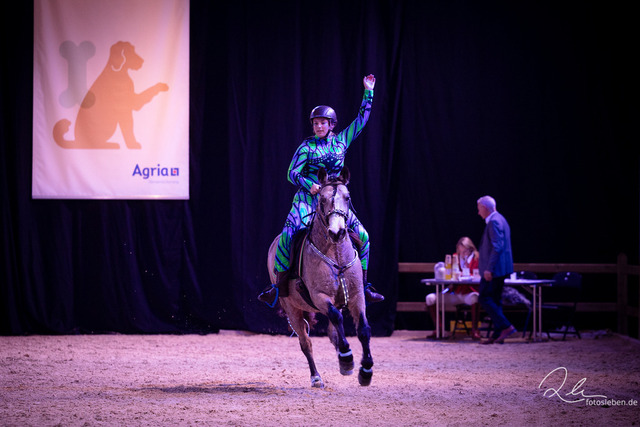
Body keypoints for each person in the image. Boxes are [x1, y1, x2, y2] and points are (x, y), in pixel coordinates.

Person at [258, 74, 384, 307]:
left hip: (335, 201)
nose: (318, 127)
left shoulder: (342, 141)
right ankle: (278, 287)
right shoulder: (306, 147)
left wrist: (369, 92)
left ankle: (364, 285)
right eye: (315, 123)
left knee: (364, 236)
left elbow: (362, 120)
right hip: (308, 199)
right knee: (287, 235)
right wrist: (310, 185)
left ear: (331, 125)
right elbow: (291, 173)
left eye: (322, 123)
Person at [476, 195, 516, 344]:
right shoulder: (501, 219)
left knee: (484, 298)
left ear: (485, 208)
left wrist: (489, 269)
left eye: (479, 209)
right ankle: (497, 335)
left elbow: (497, 247)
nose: (478, 212)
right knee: (495, 300)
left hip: (494, 270)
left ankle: (506, 326)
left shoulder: (494, 221)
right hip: (500, 269)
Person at [426, 237, 481, 340]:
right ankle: (440, 329)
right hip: (455, 292)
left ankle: (475, 330)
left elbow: (478, 275)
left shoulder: (477, 258)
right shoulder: (454, 258)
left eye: (465, 251)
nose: (463, 254)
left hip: (469, 292)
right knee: (430, 298)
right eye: (461, 251)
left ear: (471, 249)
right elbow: (448, 274)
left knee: (475, 297)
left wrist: (466, 275)